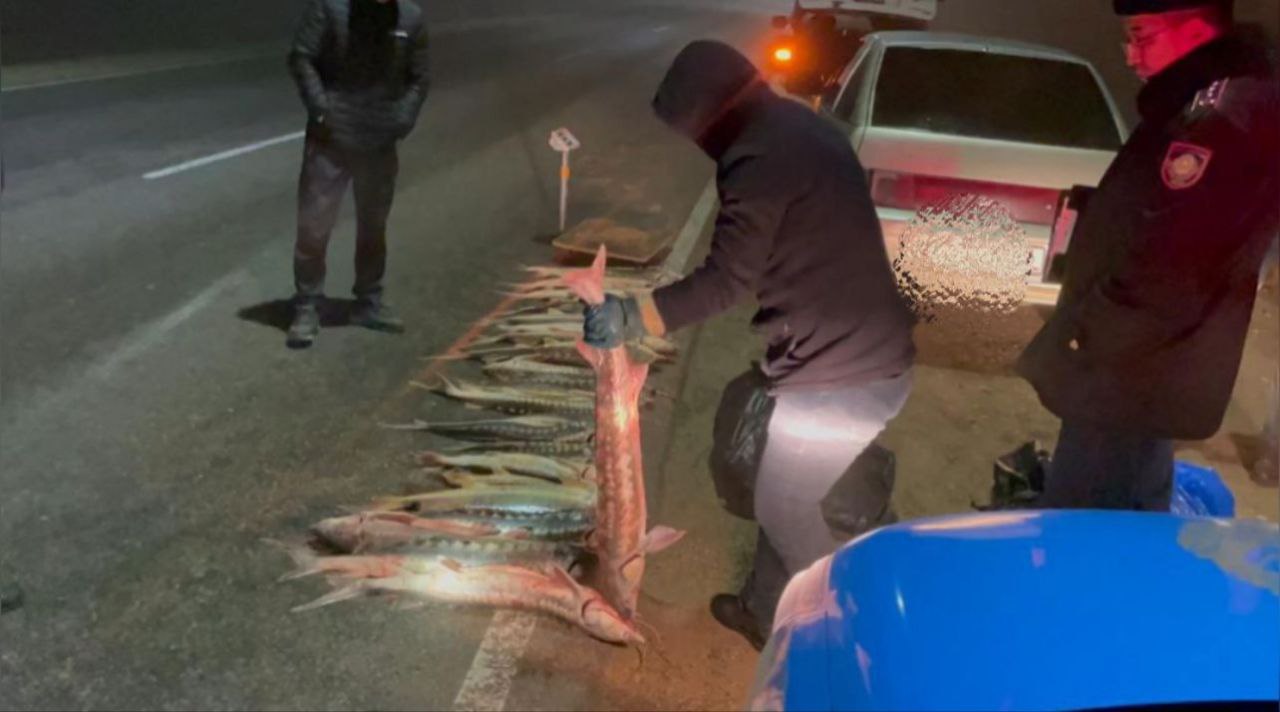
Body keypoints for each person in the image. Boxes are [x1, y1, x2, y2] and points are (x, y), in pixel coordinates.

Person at [583, 41, 916, 648]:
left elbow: (726, 281)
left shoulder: (758, 157)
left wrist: (634, 315)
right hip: (853, 348)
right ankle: (764, 609)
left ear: (710, 113)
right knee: (780, 482)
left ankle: (846, 631)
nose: (696, 143)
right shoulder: (801, 127)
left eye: (692, 130)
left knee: (786, 506)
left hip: (843, 372)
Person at [1018, 0, 1279, 510]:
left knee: (1088, 522)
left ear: (1197, 27)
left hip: (1128, 376)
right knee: (1122, 511)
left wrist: (1090, 333)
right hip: (1139, 370)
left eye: (1142, 36)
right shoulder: (1198, 102)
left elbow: (1171, 264)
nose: (1131, 55)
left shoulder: (1218, 119)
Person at [285, 0, 430, 347]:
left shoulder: (409, 17)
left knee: (373, 225)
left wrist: (402, 118)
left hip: (379, 139)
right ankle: (307, 305)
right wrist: (321, 109)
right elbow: (302, 57)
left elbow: (419, 77)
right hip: (329, 141)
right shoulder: (330, 8)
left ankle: (369, 300)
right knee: (314, 225)